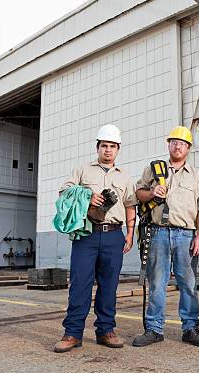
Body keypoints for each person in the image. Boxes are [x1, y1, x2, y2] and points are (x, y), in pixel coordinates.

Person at [54, 124, 137, 353]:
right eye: (104, 146)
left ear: (118, 149)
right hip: (87, 235)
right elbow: (63, 192)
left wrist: (130, 234)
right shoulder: (82, 171)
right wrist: (87, 196)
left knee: (109, 286)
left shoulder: (125, 177)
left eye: (112, 146)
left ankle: (106, 330)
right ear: (97, 147)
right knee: (80, 284)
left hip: (114, 235)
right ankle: (72, 333)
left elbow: (131, 205)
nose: (108, 150)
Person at [132, 126, 199, 348]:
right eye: (174, 142)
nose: (177, 146)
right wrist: (152, 193)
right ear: (168, 144)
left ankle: (191, 328)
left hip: (186, 234)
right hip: (158, 233)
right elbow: (139, 194)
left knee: (188, 283)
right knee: (157, 283)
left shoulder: (196, 176)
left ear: (188, 148)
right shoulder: (154, 169)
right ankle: (154, 329)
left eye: (182, 143)